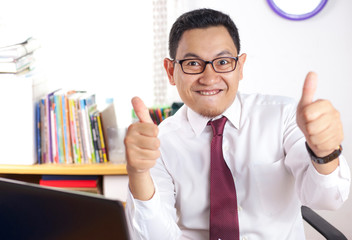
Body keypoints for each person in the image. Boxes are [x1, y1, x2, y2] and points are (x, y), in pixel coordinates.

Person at [124, 8, 350, 240]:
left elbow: (328, 198)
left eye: (222, 61)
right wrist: (138, 173)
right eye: (192, 63)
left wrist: (324, 153)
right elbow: (155, 237)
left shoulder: (283, 116)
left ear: (240, 67)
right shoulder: (158, 141)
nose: (209, 77)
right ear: (171, 71)